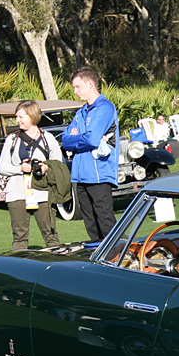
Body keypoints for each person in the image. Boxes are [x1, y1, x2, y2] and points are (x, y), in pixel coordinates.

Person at [0, 100, 62, 251]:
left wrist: (46, 167)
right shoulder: (12, 140)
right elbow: (2, 167)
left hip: (42, 192)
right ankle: (20, 269)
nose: (17, 120)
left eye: (21, 117)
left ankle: (58, 266)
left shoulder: (48, 139)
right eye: (17, 117)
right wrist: (20, 168)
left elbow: (59, 163)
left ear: (32, 116)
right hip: (17, 193)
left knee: (50, 235)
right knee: (19, 237)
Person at [62, 66, 118, 242]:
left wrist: (77, 139)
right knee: (91, 225)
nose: (75, 91)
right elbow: (64, 140)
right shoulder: (80, 112)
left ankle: (122, 259)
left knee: (106, 223)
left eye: (77, 87)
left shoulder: (105, 108)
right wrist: (81, 138)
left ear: (90, 84)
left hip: (99, 174)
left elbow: (93, 140)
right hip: (79, 175)